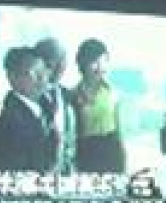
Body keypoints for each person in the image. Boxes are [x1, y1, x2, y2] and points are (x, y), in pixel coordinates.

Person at [0, 47, 54, 171]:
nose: (41, 78)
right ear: (12, 77)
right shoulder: (11, 119)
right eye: (33, 73)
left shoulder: (45, 109)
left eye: (44, 72)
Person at [72, 38, 126, 173]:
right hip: (87, 151)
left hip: (111, 149)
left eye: (104, 61)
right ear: (83, 63)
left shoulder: (112, 92)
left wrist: (123, 157)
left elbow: (119, 130)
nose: (100, 67)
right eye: (95, 62)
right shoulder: (73, 94)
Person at [33, 37, 78, 174]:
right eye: (51, 62)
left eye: (62, 60)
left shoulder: (68, 95)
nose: (58, 66)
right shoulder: (30, 96)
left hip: (66, 173)